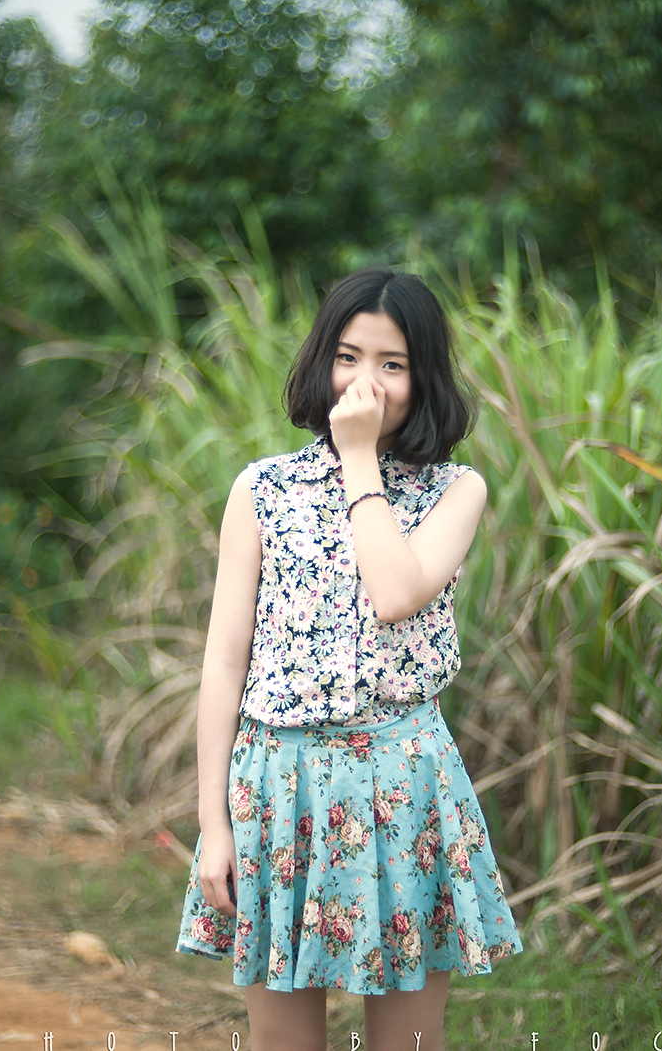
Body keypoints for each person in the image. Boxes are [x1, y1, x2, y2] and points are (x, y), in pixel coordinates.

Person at [176, 267, 522, 1051]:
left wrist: (359, 457)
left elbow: (396, 592)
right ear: (321, 362)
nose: (365, 381)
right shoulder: (262, 490)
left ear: (423, 377)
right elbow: (224, 663)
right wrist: (213, 824)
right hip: (277, 786)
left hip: (403, 785)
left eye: (392, 363)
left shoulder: (454, 490)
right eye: (348, 356)